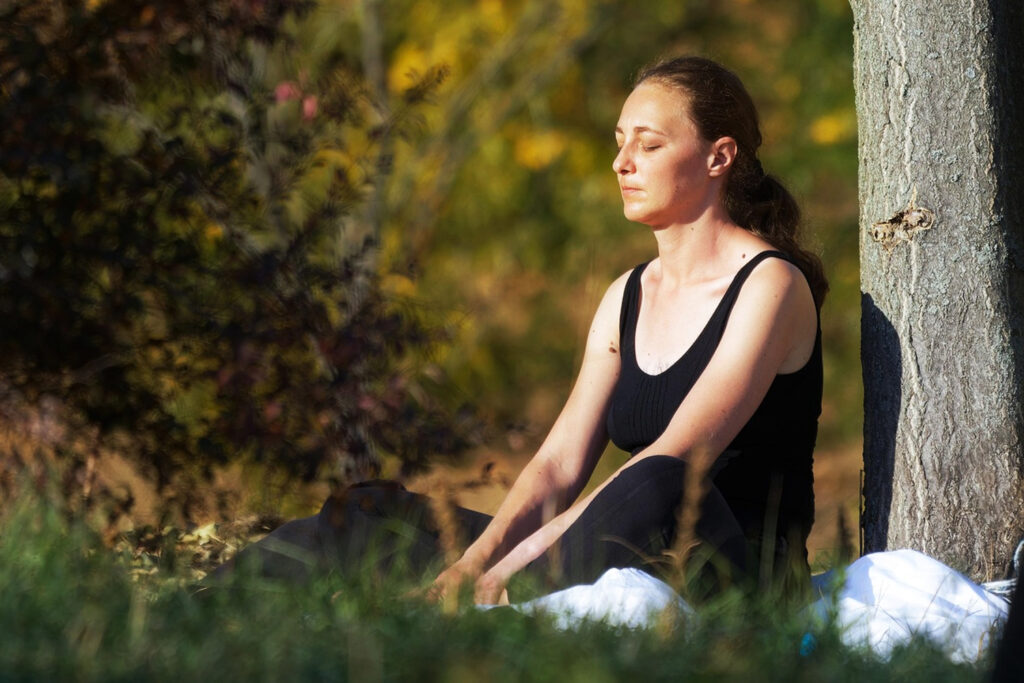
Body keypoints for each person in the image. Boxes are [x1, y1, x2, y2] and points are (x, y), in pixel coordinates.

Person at [212, 56, 827, 605]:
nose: (621, 163)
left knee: (660, 474)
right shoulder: (628, 294)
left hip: (732, 579)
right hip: (616, 549)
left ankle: (500, 604)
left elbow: (679, 456)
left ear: (719, 157)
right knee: (368, 513)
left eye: (649, 145)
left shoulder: (771, 285)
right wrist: (472, 563)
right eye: (619, 142)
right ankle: (195, 608)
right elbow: (558, 465)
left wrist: (506, 572)